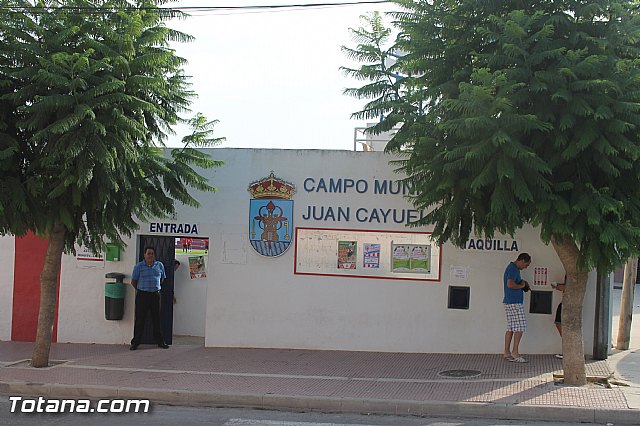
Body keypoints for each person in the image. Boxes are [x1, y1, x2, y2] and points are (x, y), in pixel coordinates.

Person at [129, 246, 169, 350]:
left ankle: (160, 342)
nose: (150, 255)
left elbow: (162, 279)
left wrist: (155, 287)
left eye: (152, 253)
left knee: (156, 319)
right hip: (142, 296)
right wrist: (143, 289)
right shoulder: (138, 266)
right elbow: (133, 282)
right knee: (140, 319)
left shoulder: (159, 265)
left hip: (155, 295)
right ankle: (136, 342)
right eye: (148, 253)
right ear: (144, 255)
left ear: (154, 255)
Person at [503, 252, 531, 363]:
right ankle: (515, 352)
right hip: (514, 302)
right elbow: (510, 284)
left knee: (511, 327)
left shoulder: (512, 268)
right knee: (520, 327)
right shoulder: (513, 269)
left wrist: (521, 282)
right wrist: (522, 285)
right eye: (526, 264)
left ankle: (507, 352)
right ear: (522, 261)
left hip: (509, 301)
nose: (526, 267)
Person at [551, 275, 566, 359]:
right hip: (564, 303)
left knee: (560, 324)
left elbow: (568, 287)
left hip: (566, 304)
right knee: (559, 323)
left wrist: (558, 286)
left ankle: (566, 351)